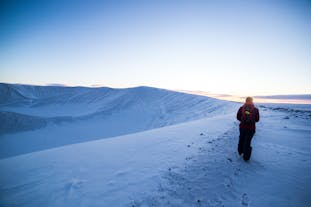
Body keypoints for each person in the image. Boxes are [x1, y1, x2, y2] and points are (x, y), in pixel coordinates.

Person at [236, 97, 260, 161]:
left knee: (241, 139)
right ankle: (246, 157)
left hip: (242, 127)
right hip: (251, 128)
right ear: (252, 101)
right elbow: (257, 120)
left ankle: (240, 152)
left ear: (245, 101)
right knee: (247, 142)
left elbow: (238, 117)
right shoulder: (255, 109)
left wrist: (244, 120)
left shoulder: (241, 108)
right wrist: (251, 119)